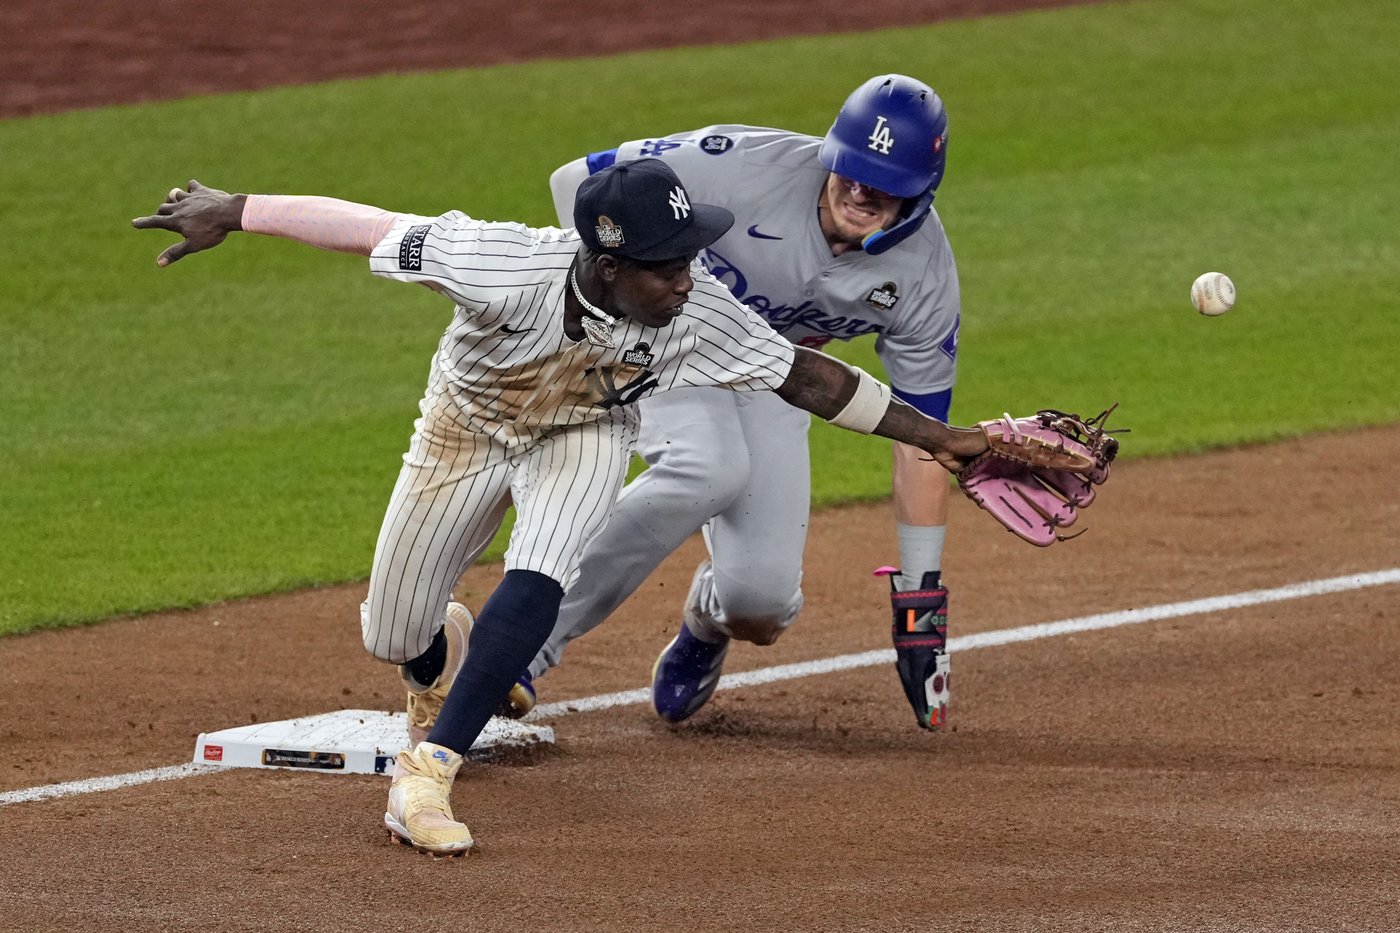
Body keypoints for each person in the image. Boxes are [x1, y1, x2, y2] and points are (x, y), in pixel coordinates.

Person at [132, 158, 999, 856]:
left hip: (583, 435)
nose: (689, 280)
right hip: (464, 431)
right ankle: (442, 659)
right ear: (609, 265)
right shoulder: (496, 262)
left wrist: (943, 439)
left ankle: (428, 773)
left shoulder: (697, 312)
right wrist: (235, 209)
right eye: (669, 266)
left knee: (542, 567)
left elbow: (807, 376)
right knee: (393, 633)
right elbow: (370, 226)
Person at [511, 75, 960, 729]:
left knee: (762, 603)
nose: (861, 190)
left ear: (920, 193)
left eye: (884, 183)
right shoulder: (740, 167)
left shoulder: (924, 276)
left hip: (779, 378)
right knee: (705, 467)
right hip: (670, 341)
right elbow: (575, 179)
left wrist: (921, 598)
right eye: (852, 168)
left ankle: (706, 619)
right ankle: (521, 644)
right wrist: (605, 295)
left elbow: (923, 440)